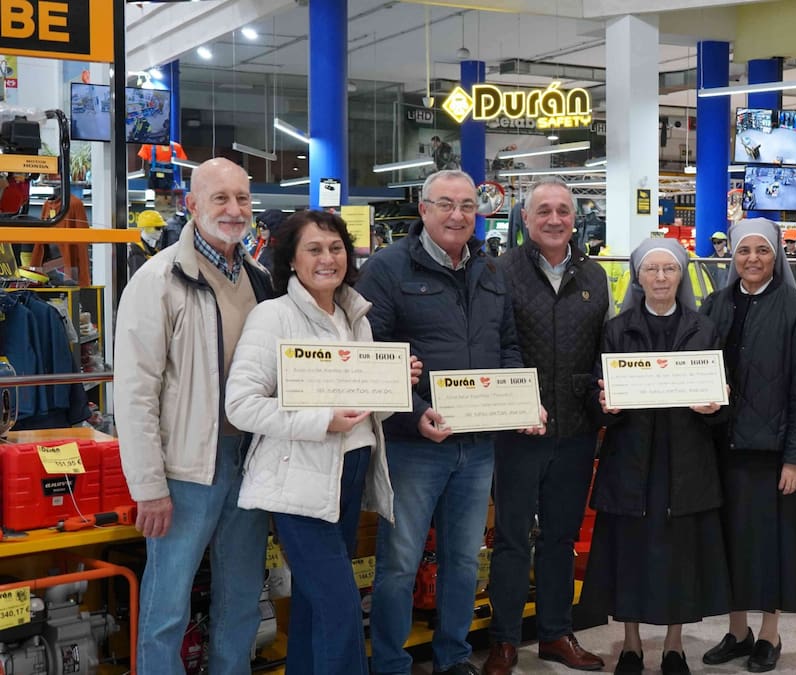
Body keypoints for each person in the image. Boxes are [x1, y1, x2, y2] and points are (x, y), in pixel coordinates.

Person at [356, 169, 538, 675]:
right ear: (423, 209)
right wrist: (416, 415)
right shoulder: (388, 268)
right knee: (400, 562)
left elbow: (506, 345)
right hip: (414, 445)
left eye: (467, 206)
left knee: (463, 560)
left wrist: (518, 402)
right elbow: (373, 354)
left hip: (477, 445)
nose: (457, 215)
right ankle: (390, 663)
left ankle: (453, 657)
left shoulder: (490, 269)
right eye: (445, 204)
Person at [224, 211, 418, 674]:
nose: (327, 258)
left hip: (349, 474)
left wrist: (394, 385)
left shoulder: (355, 316)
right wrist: (321, 421)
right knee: (340, 608)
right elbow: (241, 406)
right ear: (292, 259)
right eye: (314, 249)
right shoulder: (273, 316)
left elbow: (366, 409)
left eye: (336, 248)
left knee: (315, 604)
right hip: (298, 482)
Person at [113, 157, 273, 673]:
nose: (234, 209)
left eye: (242, 198)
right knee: (167, 604)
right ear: (192, 204)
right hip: (185, 470)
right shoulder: (159, 279)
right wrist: (148, 486)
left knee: (242, 597)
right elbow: (134, 392)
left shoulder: (260, 279)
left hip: (251, 461)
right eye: (220, 198)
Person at [582, 238, 730, 675]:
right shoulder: (616, 329)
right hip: (630, 457)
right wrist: (603, 404)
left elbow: (723, 399)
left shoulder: (704, 328)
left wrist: (716, 406)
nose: (661, 277)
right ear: (638, 277)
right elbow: (596, 393)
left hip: (684, 458)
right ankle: (630, 645)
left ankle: (673, 646)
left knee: (680, 555)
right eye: (652, 269)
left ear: (682, 275)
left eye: (670, 269)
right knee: (628, 551)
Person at [484, 178, 610, 675]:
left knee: (561, 538)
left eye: (563, 211)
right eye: (544, 211)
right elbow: (494, 344)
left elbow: (603, 347)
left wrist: (604, 392)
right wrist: (518, 404)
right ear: (525, 218)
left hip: (576, 429)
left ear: (574, 218)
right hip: (517, 431)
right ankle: (504, 641)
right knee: (512, 539)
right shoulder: (499, 271)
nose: (554, 219)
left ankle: (557, 633)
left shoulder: (595, 275)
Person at [699, 218, 796, 673]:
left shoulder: (795, 310)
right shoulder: (714, 305)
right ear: (733, 256)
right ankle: (737, 632)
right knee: (728, 543)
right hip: (718, 447)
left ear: (777, 256)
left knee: (771, 547)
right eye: (744, 250)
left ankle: (770, 634)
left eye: (763, 250)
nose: (753, 259)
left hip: (771, 452)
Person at [128, 209, 166, 276]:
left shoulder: (153, 249)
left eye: (162, 228)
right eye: (158, 228)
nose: (161, 231)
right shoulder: (136, 250)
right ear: (145, 228)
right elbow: (138, 277)